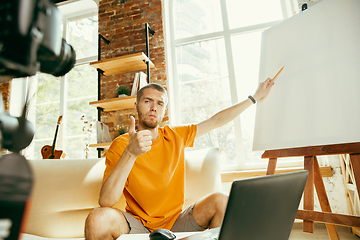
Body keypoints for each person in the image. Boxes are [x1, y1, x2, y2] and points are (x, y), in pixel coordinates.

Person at [85, 78, 275, 240]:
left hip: (176, 224)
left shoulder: (175, 136)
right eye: (147, 101)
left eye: (159, 104)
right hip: (139, 226)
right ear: (136, 105)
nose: (153, 108)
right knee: (97, 218)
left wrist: (254, 98)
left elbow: (215, 121)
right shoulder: (121, 145)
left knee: (222, 200)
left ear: (164, 110)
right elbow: (106, 201)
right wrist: (131, 153)